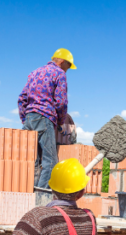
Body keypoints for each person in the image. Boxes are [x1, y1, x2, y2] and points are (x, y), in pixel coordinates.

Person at [18, 48, 77, 190]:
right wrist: (61, 122)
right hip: (44, 118)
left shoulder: (34, 73)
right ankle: (39, 197)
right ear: (62, 61)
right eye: (68, 66)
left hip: (29, 119)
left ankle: (29, 195)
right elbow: (61, 102)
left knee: (34, 162)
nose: (68, 69)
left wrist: (25, 119)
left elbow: (21, 98)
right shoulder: (59, 73)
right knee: (50, 162)